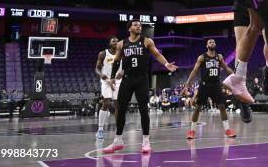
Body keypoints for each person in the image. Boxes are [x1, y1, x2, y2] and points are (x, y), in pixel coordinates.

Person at [103, 20, 178, 154]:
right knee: (120, 110)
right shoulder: (121, 43)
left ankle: (146, 141)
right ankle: (118, 141)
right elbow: (116, 61)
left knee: (144, 110)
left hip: (142, 79)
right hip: (127, 80)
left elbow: (156, 54)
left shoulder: (147, 41)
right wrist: (113, 77)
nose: (139, 27)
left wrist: (166, 64)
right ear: (129, 28)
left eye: (140, 25)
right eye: (136, 25)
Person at [184, 39, 236, 139]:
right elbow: (194, 71)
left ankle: (228, 130)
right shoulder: (202, 57)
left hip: (216, 85)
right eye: (210, 42)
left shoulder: (219, 57)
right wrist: (187, 85)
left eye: (213, 42)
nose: (212, 43)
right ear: (207, 46)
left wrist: (235, 75)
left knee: (222, 107)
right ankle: (192, 131)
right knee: (198, 108)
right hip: (204, 85)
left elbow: (226, 68)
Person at [95, 37, 120, 140]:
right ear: (109, 43)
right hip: (106, 80)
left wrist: (121, 74)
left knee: (118, 104)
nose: (116, 42)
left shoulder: (121, 53)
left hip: (117, 80)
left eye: (117, 41)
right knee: (106, 103)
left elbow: (124, 68)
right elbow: (97, 68)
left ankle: (119, 129)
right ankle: (100, 130)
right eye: (113, 41)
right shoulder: (103, 54)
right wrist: (103, 76)